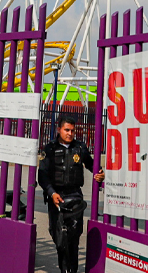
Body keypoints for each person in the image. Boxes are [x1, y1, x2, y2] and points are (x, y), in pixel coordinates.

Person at [38, 116, 104, 273]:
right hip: (56, 198)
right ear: (59, 129)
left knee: (73, 238)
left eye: (73, 131)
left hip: (74, 196)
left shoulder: (80, 148)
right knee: (58, 237)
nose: (70, 133)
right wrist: (51, 193)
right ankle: (65, 268)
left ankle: (70, 271)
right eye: (67, 130)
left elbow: (91, 165)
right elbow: (42, 176)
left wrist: (99, 174)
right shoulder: (50, 149)